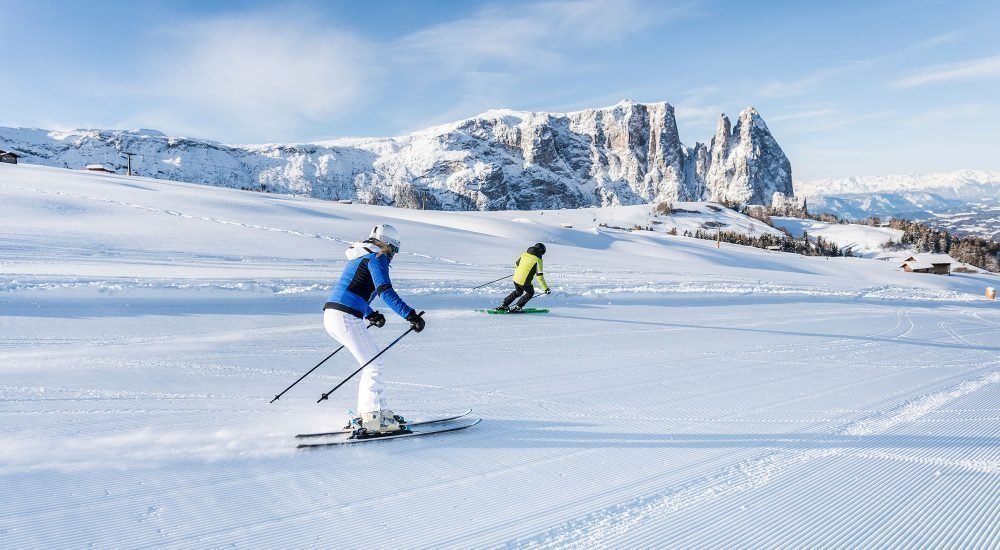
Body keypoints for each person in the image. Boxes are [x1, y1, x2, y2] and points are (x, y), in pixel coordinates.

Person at [323, 224, 425, 434]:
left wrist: (370, 313)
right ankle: (372, 417)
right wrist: (410, 315)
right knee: (374, 363)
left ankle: (374, 412)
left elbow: (353, 289)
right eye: (394, 251)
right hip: (345, 316)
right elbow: (384, 290)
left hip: (334, 314)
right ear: (389, 246)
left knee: (371, 362)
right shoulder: (378, 257)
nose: (393, 256)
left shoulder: (362, 254)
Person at [496, 243, 550, 312]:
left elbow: (516, 264)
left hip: (516, 278)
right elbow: (539, 276)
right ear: (542, 251)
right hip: (524, 281)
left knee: (518, 292)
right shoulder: (538, 261)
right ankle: (518, 307)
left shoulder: (524, 254)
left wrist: (521, 271)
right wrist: (546, 289)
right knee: (530, 293)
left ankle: (504, 304)